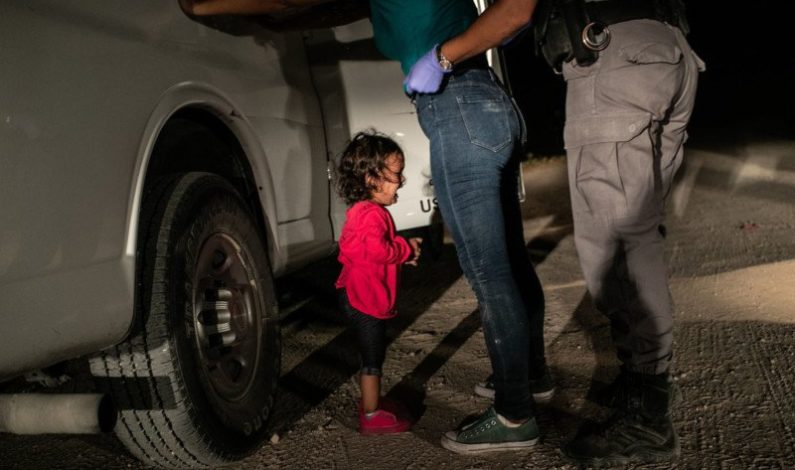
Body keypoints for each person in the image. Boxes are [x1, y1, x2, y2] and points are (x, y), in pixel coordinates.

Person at [183, 0, 553, 454]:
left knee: (490, 275)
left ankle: (514, 413)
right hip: (486, 102)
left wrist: (207, 5)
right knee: (510, 262)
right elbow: (320, 13)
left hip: (457, 105)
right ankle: (529, 377)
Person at [526, 0, 703, 466]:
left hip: (614, 51)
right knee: (638, 232)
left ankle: (648, 420)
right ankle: (644, 389)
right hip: (667, 46)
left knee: (619, 245)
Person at [334, 130, 422, 435]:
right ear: (371, 178)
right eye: (395, 174)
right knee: (373, 358)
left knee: (370, 354)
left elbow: (362, 250)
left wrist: (400, 252)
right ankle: (371, 415)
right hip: (365, 300)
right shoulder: (371, 215)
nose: (400, 181)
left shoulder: (362, 212)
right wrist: (405, 248)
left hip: (354, 294)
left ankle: (372, 403)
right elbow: (376, 250)